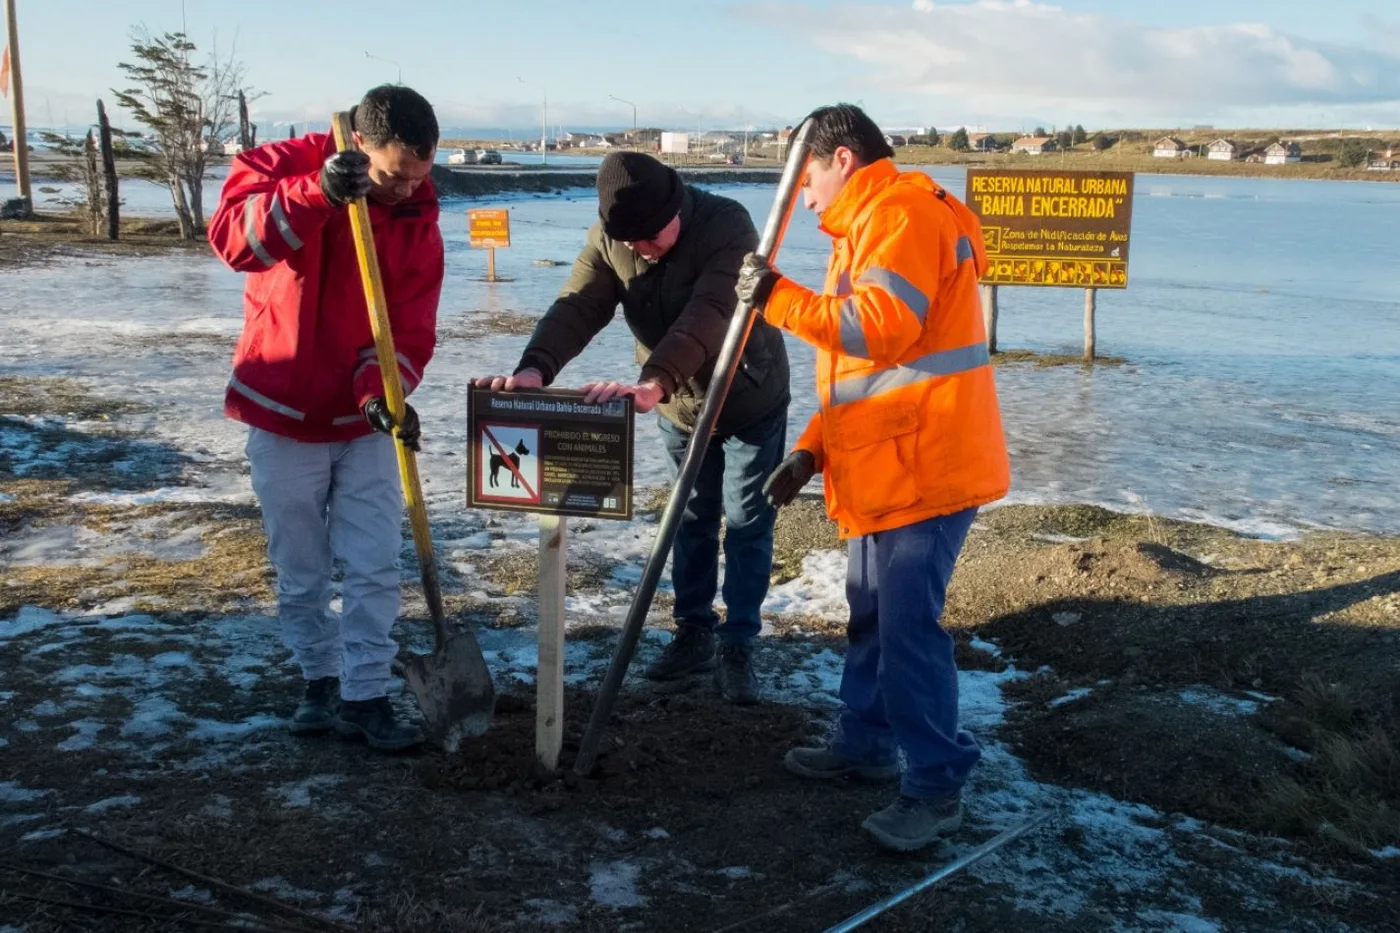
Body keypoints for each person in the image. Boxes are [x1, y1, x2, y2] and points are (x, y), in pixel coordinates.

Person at [735, 104, 1010, 851]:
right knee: (871, 615)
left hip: (928, 469)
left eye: (807, 176)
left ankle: (935, 785)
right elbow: (866, 372)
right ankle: (862, 744)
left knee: (908, 631)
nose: (803, 196)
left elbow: (879, 325)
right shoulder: (867, 224)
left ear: (842, 158)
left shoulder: (903, 215)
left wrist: (776, 298)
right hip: (890, 468)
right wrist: (813, 451)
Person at [476, 151, 790, 704]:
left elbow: (711, 312)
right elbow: (577, 304)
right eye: (630, 241)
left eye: (651, 235)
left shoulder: (727, 223)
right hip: (674, 406)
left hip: (747, 398)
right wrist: (535, 367)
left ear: (676, 208)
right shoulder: (611, 239)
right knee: (688, 517)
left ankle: (739, 642)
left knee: (745, 521)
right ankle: (693, 632)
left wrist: (654, 380)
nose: (642, 248)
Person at [207, 85, 444, 752]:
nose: (406, 190)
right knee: (301, 563)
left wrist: (379, 392)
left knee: (373, 560)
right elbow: (233, 243)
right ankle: (317, 677)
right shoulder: (277, 166)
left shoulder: (416, 209)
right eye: (395, 175)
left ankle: (365, 694)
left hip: (364, 420)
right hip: (282, 407)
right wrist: (314, 194)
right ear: (361, 146)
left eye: (419, 177)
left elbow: (411, 326)